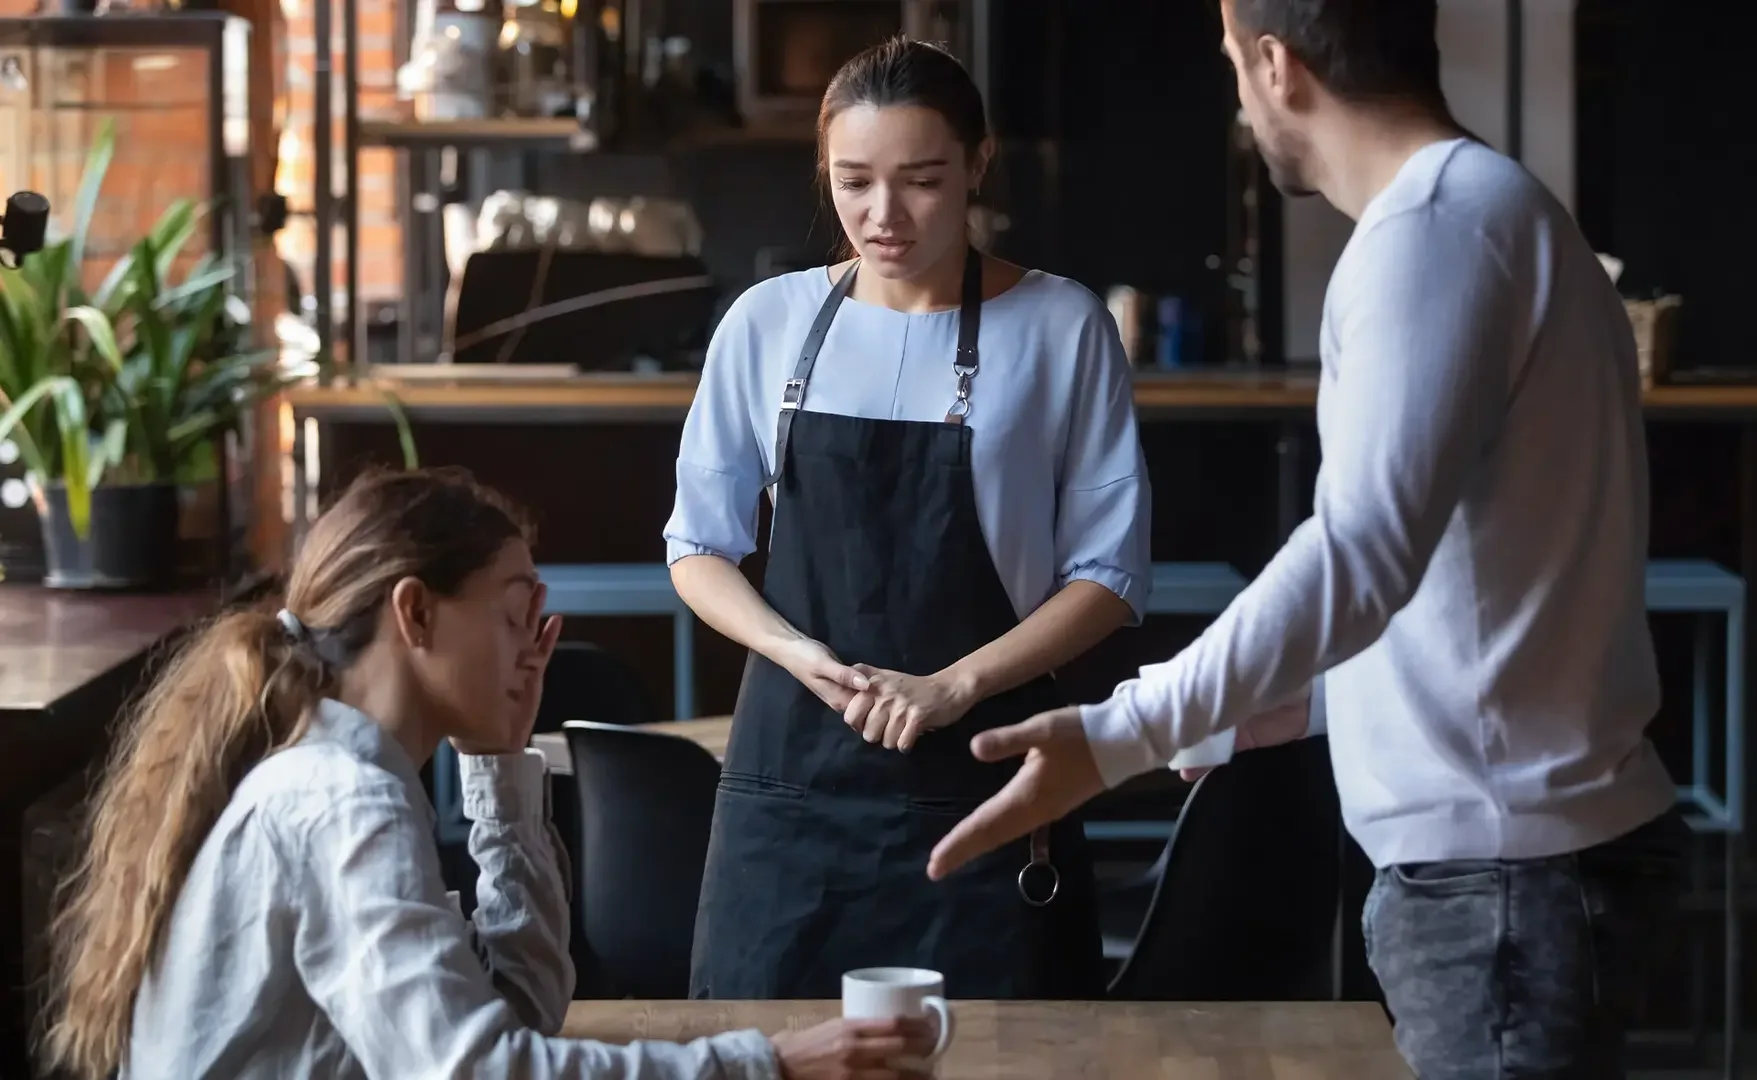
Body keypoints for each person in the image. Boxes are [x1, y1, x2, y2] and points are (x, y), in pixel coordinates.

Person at [927, 1, 1687, 1076]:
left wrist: (1120, 735)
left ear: (1276, 65)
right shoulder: (1486, 209)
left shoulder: (1430, 231)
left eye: (1232, 64)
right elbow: (1472, 580)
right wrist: (1287, 706)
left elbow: (1359, 551)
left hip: (1503, 883)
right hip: (1518, 867)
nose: (1239, 101)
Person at [42, 468, 934, 1080]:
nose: (529, 652)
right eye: (513, 617)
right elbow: (473, 1070)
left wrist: (501, 764)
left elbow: (520, 1010)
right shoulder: (339, 801)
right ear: (415, 614)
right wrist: (765, 1062)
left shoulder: (345, 780)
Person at [665, 36, 1150, 1001]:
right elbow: (698, 546)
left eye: (921, 181)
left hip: (984, 776)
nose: (882, 216)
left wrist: (953, 685)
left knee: (1006, 1055)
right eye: (853, 182)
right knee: (767, 1050)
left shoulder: (1062, 327)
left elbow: (1109, 576)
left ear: (977, 164)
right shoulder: (764, 322)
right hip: (790, 791)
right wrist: (795, 652)